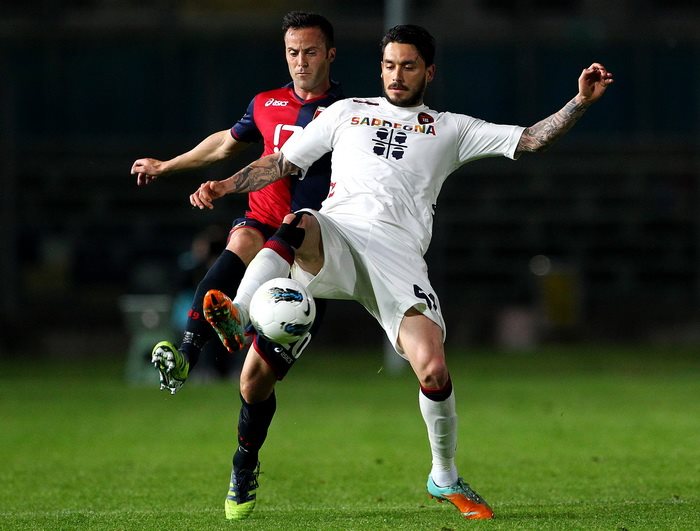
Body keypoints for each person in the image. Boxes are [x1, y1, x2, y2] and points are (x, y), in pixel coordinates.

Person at [190, 23, 614, 521]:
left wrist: (580, 101)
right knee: (296, 226)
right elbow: (281, 163)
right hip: (338, 233)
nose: (396, 75)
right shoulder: (346, 112)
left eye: (408, 66)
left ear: (428, 71)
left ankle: (444, 476)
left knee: (433, 369)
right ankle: (239, 314)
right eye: (389, 65)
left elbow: (531, 140)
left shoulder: (451, 128)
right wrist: (226, 186)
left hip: (398, 258)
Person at [130, 11, 343, 520]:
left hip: (311, 248)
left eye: (311, 52)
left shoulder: (347, 113)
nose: (300, 62)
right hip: (262, 222)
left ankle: (245, 461)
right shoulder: (265, 102)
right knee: (242, 239)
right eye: (292, 52)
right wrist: (167, 166)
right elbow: (225, 143)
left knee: (252, 384)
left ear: (330, 55)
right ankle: (188, 353)